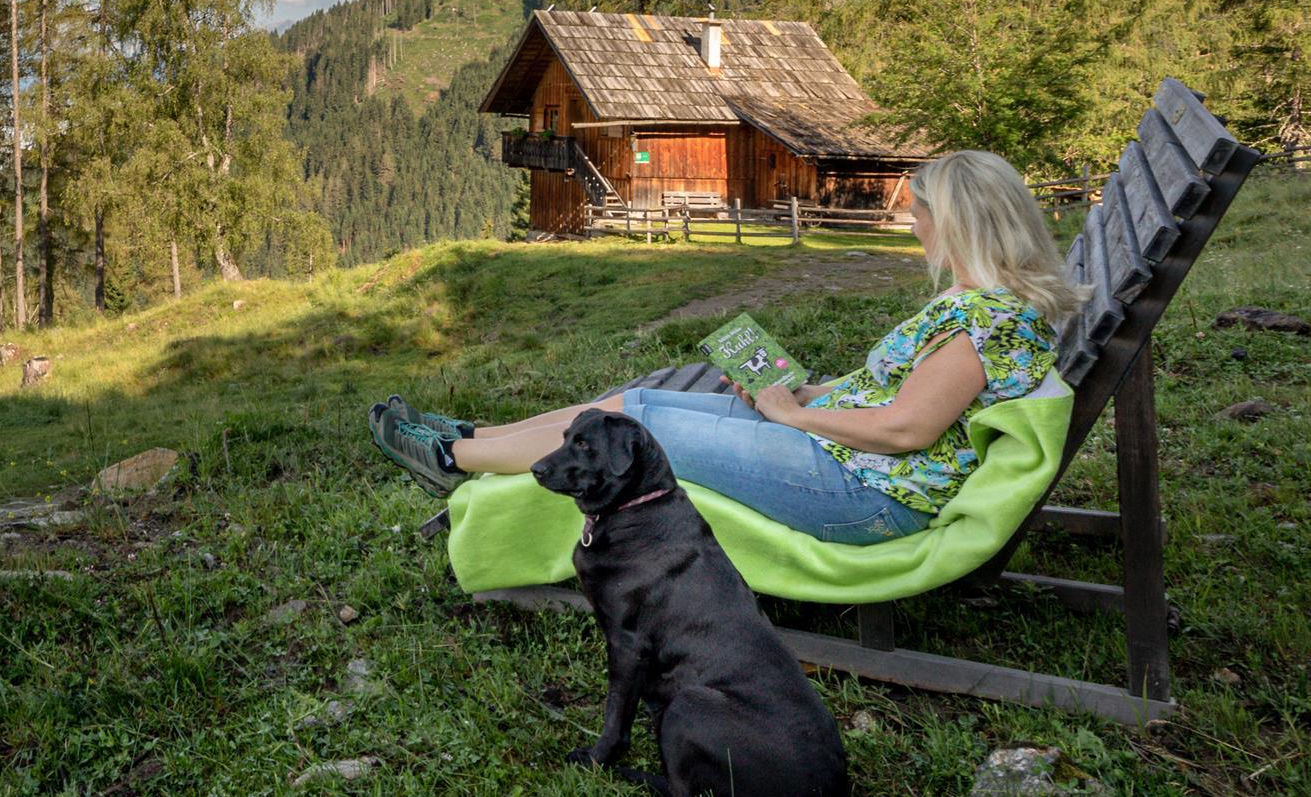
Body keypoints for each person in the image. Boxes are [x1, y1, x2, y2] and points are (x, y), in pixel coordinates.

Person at [371, 151, 1084, 545]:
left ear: (953, 222)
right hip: (850, 465)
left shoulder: (983, 319)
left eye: (920, 212)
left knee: (636, 423)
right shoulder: (987, 307)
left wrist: (793, 415)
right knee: (640, 400)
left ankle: (451, 458)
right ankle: (471, 439)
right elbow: (902, 399)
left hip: (865, 495)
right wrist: (806, 393)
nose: (914, 224)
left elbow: (908, 429)